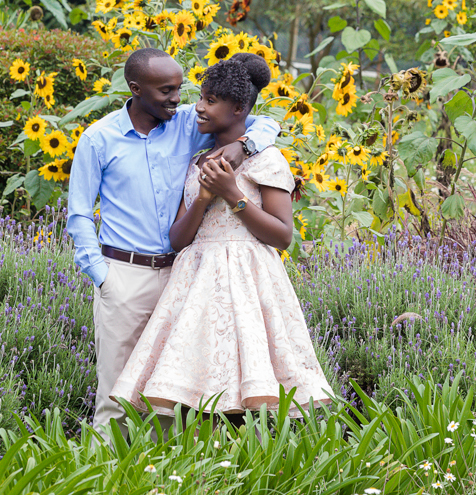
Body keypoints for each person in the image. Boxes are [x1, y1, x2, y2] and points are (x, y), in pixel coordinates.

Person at [66, 47, 281, 434]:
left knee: (170, 397)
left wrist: (243, 145)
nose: (178, 99)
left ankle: (160, 480)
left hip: (184, 279)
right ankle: (103, 480)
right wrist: (102, 277)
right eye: (166, 90)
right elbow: (79, 213)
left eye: (180, 88)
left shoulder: (186, 123)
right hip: (125, 276)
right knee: (117, 396)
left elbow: (263, 120)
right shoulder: (99, 139)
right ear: (135, 88)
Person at [109, 54, 333, 419]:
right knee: (199, 386)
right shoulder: (198, 161)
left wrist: (233, 194)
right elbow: (179, 240)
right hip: (195, 283)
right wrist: (204, 196)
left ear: (239, 108)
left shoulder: (267, 159)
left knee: (249, 390)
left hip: (248, 283)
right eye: (200, 97)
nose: (198, 107)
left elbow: (282, 236)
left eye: (211, 101)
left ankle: (251, 463)